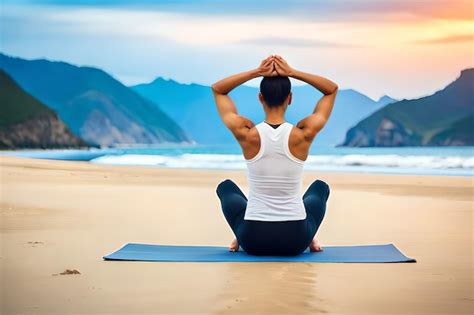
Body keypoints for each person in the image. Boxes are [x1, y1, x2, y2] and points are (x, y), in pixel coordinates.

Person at [211, 55, 338, 256]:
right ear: (290, 98)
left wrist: (256, 72)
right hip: (296, 240)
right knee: (320, 188)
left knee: (225, 187)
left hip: (253, 239)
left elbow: (218, 89)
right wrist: (293, 72)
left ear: (260, 98)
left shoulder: (247, 132)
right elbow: (331, 89)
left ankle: (239, 234)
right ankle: (311, 237)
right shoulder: (303, 133)